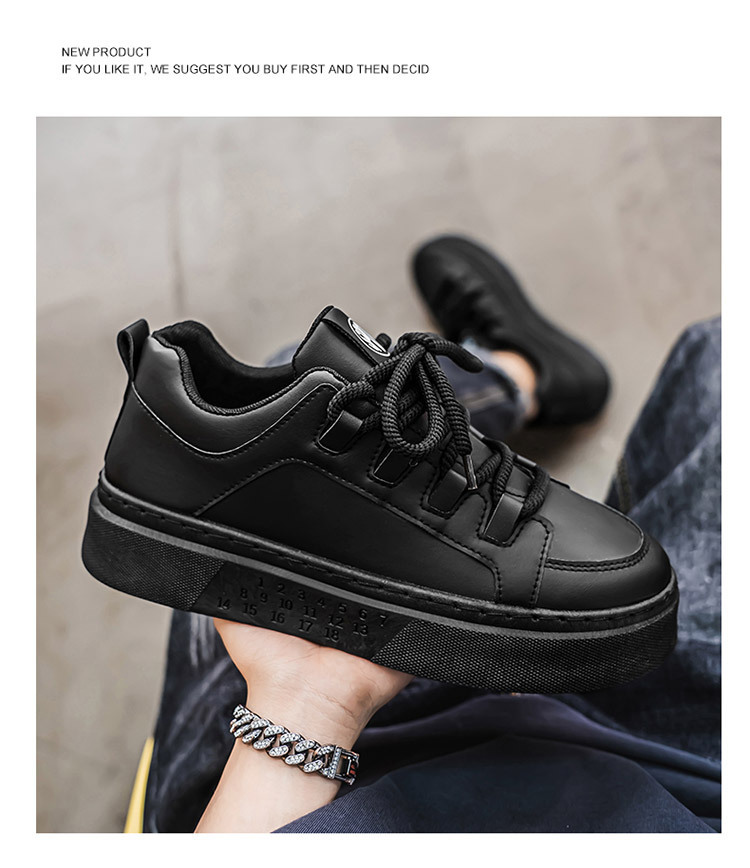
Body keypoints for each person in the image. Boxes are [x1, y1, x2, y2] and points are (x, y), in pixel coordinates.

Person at [140, 236, 720, 833]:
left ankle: (512, 376)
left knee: (313, 390)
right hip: (673, 760)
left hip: (274, 774)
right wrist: (317, 704)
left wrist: (299, 706)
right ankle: (521, 374)